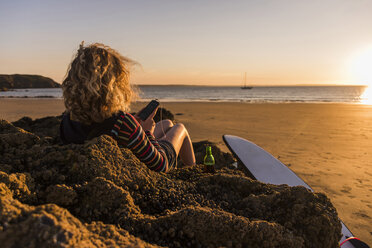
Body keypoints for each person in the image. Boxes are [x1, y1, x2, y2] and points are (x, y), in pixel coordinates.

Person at [60, 42, 196, 172]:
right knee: (180, 128)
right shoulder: (122, 122)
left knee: (167, 123)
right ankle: (194, 172)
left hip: (111, 156)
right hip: (144, 162)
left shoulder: (67, 120)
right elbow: (161, 165)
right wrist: (147, 132)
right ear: (113, 84)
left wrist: (136, 127)